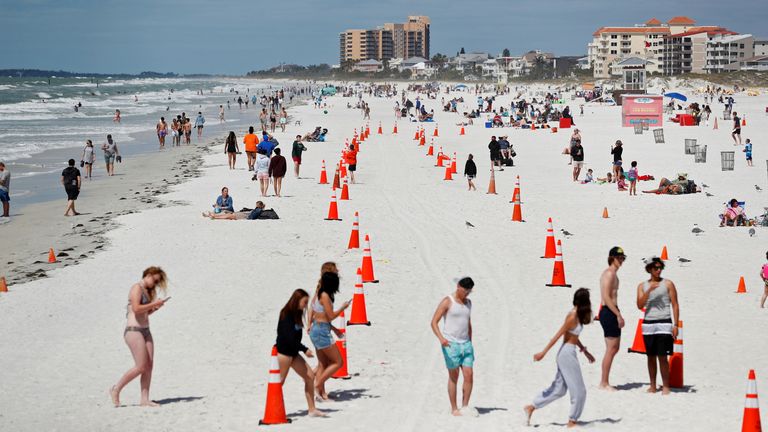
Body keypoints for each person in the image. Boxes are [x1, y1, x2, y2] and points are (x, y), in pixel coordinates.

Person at [525, 288, 595, 428]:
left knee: (559, 390)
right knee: (579, 391)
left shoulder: (578, 315)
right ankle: (572, 421)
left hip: (569, 352)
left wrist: (584, 351)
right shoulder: (572, 316)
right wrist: (543, 353)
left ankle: (531, 407)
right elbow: (558, 336)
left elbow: (574, 336)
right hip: (566, 354)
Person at [110, 267, 169, 407]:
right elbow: (136, 309)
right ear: (148, 275)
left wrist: (154, 308)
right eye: (154, 280)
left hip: (146, 331)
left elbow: (144, 314)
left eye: (157, 282)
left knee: (149, 366)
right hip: (133, 330)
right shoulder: (136, 287)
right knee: (141, 366)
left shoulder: (147, 293)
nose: (154, 284)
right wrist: (154, 303)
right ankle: (116, 389)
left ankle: (144, 399)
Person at [430, 277, 477, 416]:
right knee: (454, 376)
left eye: (469, 291)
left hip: (466, 344)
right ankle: (454, 408)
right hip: (451, 344)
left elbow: (468, 323)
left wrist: (470, 340)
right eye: (465, 290)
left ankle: (465, 406)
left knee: (469, 375)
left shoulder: (469, 303)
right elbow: (433, 322)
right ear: (458, 286)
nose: (467, 294)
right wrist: (441, 339)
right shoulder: (447, 301)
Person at [275, 289, 325, 417]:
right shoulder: (286, 315)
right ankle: (274, 410)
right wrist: (304, 349)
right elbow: (289, 338)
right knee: (279, 382)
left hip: (294, 353)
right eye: (304, 302)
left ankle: (312, 409)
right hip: (284, 354)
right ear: (296, 301)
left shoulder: (297, 314)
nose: (305, 305)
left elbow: (295, 339)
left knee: (310, 376)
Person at [636, 257, 679, 394]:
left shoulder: (668, 284)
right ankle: (653, 385)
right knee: (650, 356)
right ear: (649, 269)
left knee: (662, 356)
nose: (658, 270)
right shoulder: (642, 286)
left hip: (664, 322)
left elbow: (675, 304)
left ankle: (666, 386)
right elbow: (639, 305)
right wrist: (649, 291)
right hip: (648, 324)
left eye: (660, 267)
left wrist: (676, 324)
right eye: (656, 268)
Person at [310, 271, 351, 401]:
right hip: (321, 331)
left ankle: (321, 393)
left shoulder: (318, 293)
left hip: (317, 328)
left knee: (323, 363)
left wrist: (334, 329)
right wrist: (343, 307)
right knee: (338, 362)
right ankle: (317, 384)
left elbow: (320, 316)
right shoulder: (325, 296)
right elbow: (331, 315)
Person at [598, 247, 626, 391]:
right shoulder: (609, 274)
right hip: (609, 311)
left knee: (614, 348)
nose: (621, 260)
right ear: (612, 258)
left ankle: (604, 381)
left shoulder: (613, 274)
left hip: (610, 311)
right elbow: (607, 297)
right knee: (611, 348)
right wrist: (618, 314)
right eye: (618, 258)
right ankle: (604, 382)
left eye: (622, 258)